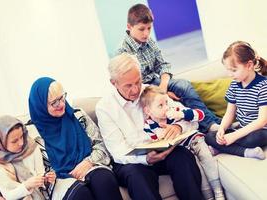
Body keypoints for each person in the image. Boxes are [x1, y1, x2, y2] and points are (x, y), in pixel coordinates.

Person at [96, 53, 204, 200]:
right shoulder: (105, 108)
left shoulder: (151, 92)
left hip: (162, 150)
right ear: (113, 83)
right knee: (138, 176)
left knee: (183, 157)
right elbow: (119, 152)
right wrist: (145, 159)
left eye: (138, 81)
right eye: (128, 85)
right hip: (131, 161)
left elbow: (192, 120)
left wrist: (178, 127)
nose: (135, 90)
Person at [116, 3, 220, 133]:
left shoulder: (149, 41)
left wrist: (163, 88)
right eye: (142, 29)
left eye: (149, 28)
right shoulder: (123, 51)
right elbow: (134, 83)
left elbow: (163, 65)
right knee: (173, 99)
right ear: (129, 27)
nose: (146, 33)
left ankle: (213, 123)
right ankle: (210, 125)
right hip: (143, 88)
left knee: (184, 85)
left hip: (157, 82)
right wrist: (159, 94)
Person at [28, 77, 123, 200]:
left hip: (91, 165)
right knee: (78, 193)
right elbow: (37, 173)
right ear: (40, 105)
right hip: (59, 181)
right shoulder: (33, 135)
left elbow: (101, 145)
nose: (61, 104)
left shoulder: (78, 116)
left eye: (62, 97)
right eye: (54, 102)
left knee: (103, 180)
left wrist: (89, 162)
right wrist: (53, 177)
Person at [140, 85, 225, 200]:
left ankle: (218, 190)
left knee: (206, 158)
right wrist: (157, 139)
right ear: (148, 111)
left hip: (195, 140)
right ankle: (209, 197)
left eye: (166, 102)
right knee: (197, 167)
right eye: (160, 105)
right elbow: (152, 140)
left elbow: (200, 115)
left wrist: (182, 114)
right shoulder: (148, 125)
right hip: (183, 148)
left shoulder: (174, 111)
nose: (166, 107)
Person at [205, 41, 267, 160]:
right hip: (243, 129)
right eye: (228, 70)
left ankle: (222, 147)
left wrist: (234, 135)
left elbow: (262, 121)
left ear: (249, 65)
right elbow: (229, 113)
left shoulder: (263, 86)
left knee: (253, 139)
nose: (230, 74)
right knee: (209, 137)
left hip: (261, 131)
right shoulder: (235, 85)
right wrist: (222, 129)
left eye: (233, 70)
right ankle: (247, 152)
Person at [0, 115, 70, 199]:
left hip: (43, 194)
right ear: (0, 143)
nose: (21, 143)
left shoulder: (31, 146)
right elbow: (8, 196)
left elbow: (40, 173)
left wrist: (46, 179)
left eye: (21, 136)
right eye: (14, 141)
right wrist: (27, 185)